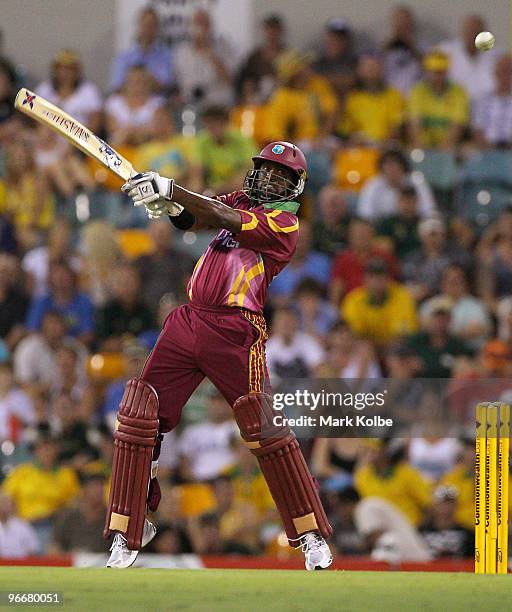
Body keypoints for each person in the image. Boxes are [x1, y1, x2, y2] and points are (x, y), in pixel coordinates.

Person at [105, 140, 333, 570]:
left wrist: (170, 189)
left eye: (281, 176)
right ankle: (128, 531)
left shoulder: (284, 224)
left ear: (295, 188)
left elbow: (223, 216)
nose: (270, 178)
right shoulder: (239, 199)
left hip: (235, 331)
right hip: (187, 320)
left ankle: (310, 535)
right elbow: (198, 215)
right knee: (139, 415)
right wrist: (170, 205)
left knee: (264, 431)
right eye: (266, 169)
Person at [341, 257, 418, 346]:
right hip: (367, 348)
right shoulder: (353, 299)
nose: (377, 281)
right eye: (372, 277)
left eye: (381, 276)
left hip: (394, 348)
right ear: (365, 279)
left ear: (388, 278)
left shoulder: (402, 296)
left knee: (400, 346)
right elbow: (353, 334)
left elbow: (403, 334)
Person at [174, 9, 236, 109]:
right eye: (197, 23)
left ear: (211, 26)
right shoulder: (181, 51)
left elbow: (230, 79)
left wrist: (209, 51)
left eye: (204, 23)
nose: (201, 28)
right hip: (191, 105)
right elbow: (177, 82)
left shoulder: (224, 47)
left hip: (218, 105)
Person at [408, 50, 469, 149]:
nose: (437, 77)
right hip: (424, 147)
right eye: (434, 72)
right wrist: (423, 148)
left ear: (446, 72)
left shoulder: (458, 93)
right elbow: (414, 125)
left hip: (448, 148)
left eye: (441, 72)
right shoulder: (417, 92)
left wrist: (441, 151)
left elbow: (457, 126)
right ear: (427, 71)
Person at [357, 148, 436, 221]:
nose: (391, 168)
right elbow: (365, 213)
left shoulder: (416, 181)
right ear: (381, 167)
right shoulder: (373, 185)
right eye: (387, 164)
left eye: (395, 163)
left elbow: (429, 210)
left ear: (403, 166)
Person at [343, 53, 404, 144]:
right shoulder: (351, 98)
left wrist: (381, 143)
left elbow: (397, 128)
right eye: (367, 66)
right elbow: (346, 130)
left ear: (382, 69)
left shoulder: (394, 96)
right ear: (359, 70)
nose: (371, 70)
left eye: (375, 66)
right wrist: (353, 138)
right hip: (360, 150)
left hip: (386, 150)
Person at [110, 6, 173, 93]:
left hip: (157, 103)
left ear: (157, 28)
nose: (148, 29)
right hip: (130, 102)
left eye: (152, 25)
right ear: (138, 26)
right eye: (145, 25)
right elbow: (116, 86)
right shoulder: (124, 57)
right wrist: (142, 83)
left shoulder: (165, 56)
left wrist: (137, 82)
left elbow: (167, 86)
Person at [439, 14, 498, 102]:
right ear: (462, 32)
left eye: (476, 31)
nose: (472, 35)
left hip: (486, 109)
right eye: (469, 31)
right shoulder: (445, 52)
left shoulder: (496, 56)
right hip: (452, 107)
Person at [473, 54, 512, 148]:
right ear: (495, 74)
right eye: (501, 72)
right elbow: (477, 131)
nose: (504, 76)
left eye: (508, 72)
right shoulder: (483, 100)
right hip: (487, 150)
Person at [383, 5, 424, 95]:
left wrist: (411, 46)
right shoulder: (385, 47)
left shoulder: (422, 46)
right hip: (391, 99)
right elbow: (375, 70)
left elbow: (430, 68)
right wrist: (387, 46)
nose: (402, 27)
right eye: (399, 23)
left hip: (415, 98)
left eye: (405, 23)